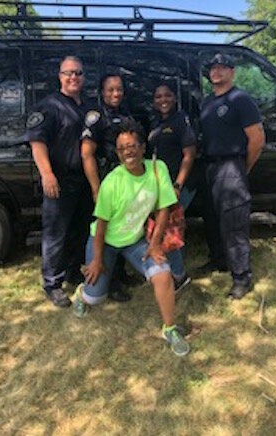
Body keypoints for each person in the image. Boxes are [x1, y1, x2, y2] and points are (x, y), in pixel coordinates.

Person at [74, 120, 190, 357]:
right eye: (122, 148)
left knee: (162, 272)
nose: (128, 151)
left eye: (132, 145)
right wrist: (97, 260)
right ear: (117, 153)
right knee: (94, 298)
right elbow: (101, 225)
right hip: (105, 241)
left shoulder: (159, 170)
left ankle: (169, 329)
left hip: (135, 240)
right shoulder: (112, 183)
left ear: (142, 147)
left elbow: (163, 209)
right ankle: (81, 293)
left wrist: (156, 244)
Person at [27, 56, 93, 307]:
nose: (73, 77)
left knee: (79, 230)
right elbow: (37, 142)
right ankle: (52, 283)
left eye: (78, 73)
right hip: (59, 179)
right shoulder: (49, 105)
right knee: (56, 233)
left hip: (83, 180)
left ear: (84, 77)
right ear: (60, 76)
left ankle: (73, 271)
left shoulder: (87, 108)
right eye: (68, 73)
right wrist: (47, 173)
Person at [199, 53, 265, 300]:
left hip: (231, 164)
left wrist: (241, 169)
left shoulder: (240, 99)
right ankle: (219, 261)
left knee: (234, 224)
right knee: (213, 219)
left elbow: (257, 139)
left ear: (232, 72)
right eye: (212, 68)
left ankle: (241, 277)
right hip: (211, 166)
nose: (216, 72)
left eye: (221, 67)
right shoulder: (207, 102)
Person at [80, 73, 136, 302]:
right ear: (102, 92)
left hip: (125, 182)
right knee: (107, 232)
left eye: (119, 89)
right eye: (111, 89)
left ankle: (120, 274)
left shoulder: (125, 115)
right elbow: (86, 154)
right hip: (106, 182)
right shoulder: (96, 117)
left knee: (123, 227)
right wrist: (96, 188)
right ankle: (110, 282)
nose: (116, 93)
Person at [148, 83, 197, 293]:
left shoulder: (180, 120)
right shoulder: (155, 122)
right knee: (161, 227)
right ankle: (168, 271)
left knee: (167, 229)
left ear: (174, 99)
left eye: (167, 95)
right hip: (160, 186)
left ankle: (179, 277)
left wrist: (178, 185)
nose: (163, 100)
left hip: (178, 185)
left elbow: (189, 155)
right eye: (158, 96)